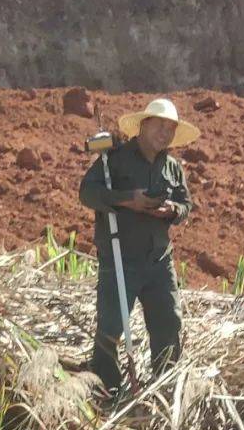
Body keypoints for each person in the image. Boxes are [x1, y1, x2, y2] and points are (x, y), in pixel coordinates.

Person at [78, 97, 200, 399]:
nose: (165, 132)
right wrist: (126, 199)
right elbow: (88, 193)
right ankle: (106, 389)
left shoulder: (172, 167)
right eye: (159, 125)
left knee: (168, 323)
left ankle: (165, 386)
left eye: (170, 128)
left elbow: (186, 205)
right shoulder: (114, 160)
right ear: (143, 125)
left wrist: (171, 210)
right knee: (111, 327)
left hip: (159, 261)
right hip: (120, 258)